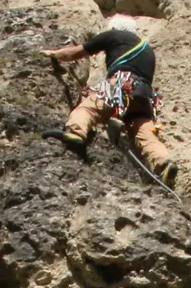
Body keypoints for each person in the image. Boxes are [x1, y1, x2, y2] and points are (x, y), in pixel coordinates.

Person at [40, 16, 177, 183]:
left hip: (121, 84)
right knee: (145, 133)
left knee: (88, 108)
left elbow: (76, 52)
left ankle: (75, 133)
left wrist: (54, 54)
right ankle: (164, 163)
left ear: (114, 28)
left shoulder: (114, 36)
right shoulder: (148, 50)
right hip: (144, 97)